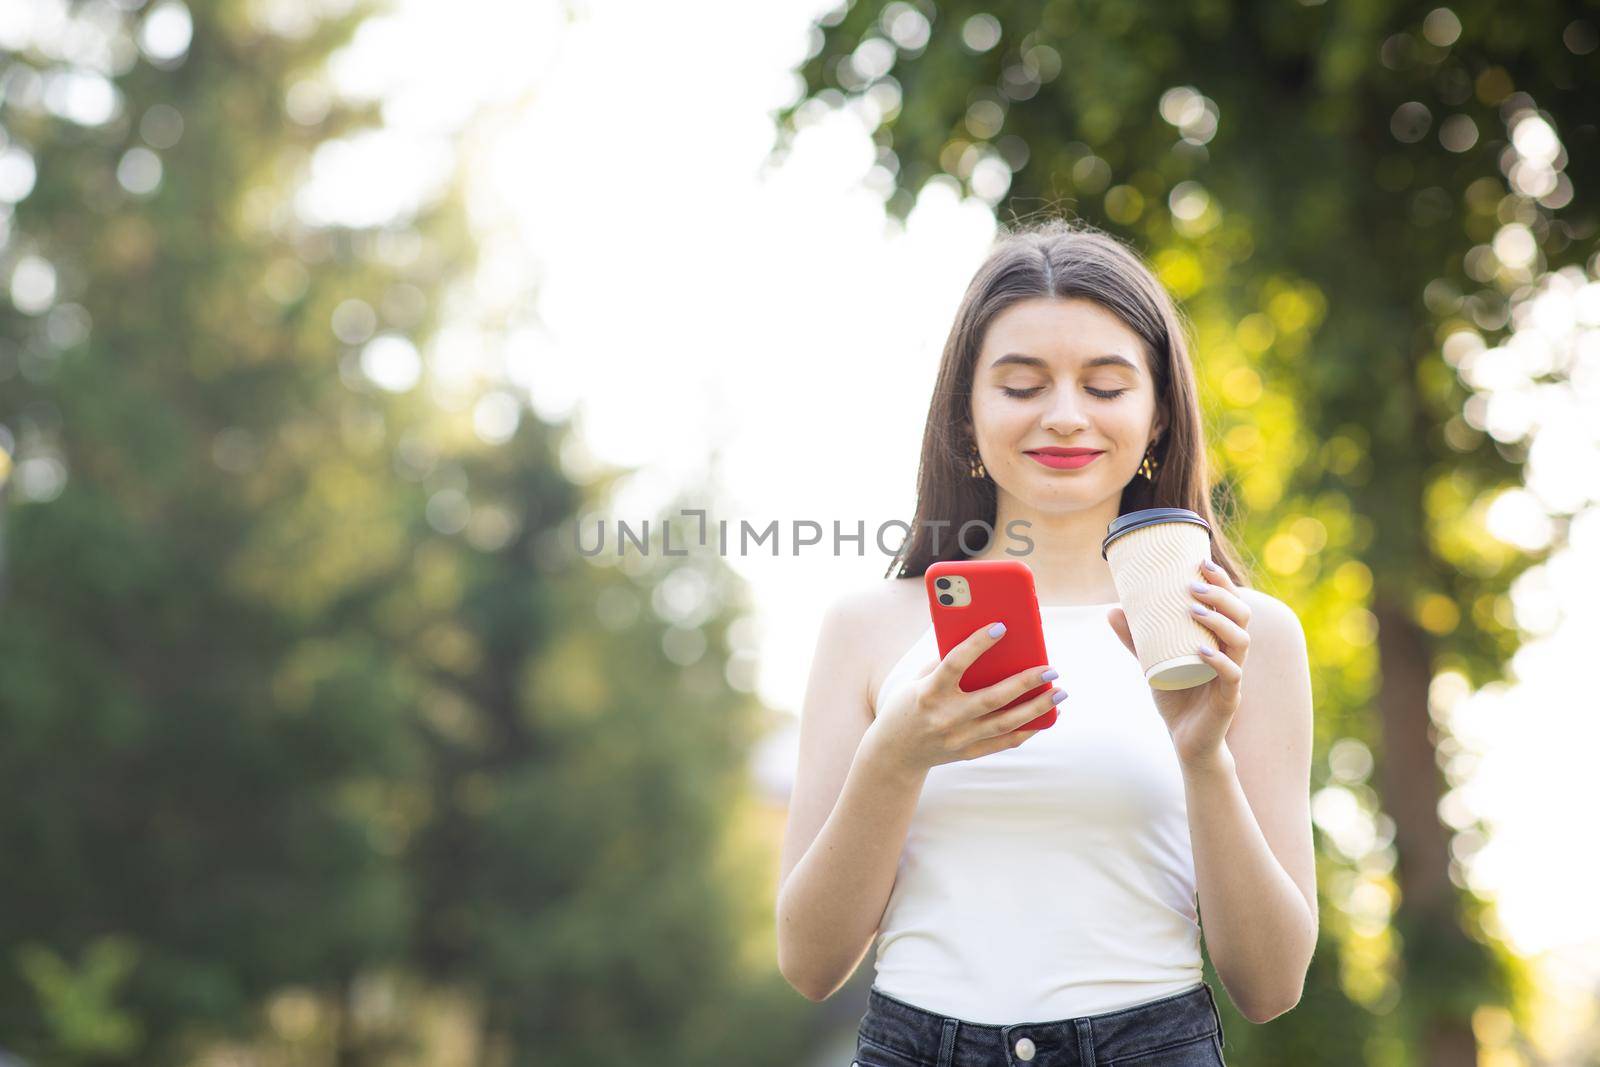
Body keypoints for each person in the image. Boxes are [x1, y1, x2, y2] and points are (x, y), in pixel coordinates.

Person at [775, 220, 1317, 1066]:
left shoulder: (1243, 633)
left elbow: (1272, 982)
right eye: (1022, 384)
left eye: (1106, 386)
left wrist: (1202, 755)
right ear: (966, 410)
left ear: (1160, 412)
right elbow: (810, 962)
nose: (1065, 418)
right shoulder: (868, 628)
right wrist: (896, 756)